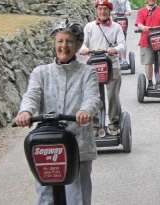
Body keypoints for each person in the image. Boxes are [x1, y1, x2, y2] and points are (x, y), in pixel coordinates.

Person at [15, 19, 101, 205]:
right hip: (46, 144)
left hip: (77, 143)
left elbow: (93, 97)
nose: (64, 46)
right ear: (54, 43)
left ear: (78, 45)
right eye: (60, 41)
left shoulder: (88, 73)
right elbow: (32, 95)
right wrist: (25, 112)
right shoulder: (41, 73)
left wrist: (86, 111)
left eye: (69, 41)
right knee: (45, 195)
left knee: (77, 197)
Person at [80, 0, 126, 136]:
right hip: (94, 66)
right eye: (100, 9)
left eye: (105, 9)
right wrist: (83, 49)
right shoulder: (89, 27)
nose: (102, 11)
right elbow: (83, 43)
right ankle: (95, 124)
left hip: (112, 65)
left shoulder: (116, 27)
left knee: (113, 95)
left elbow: (122, 45)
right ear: (96, 11)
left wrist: (115, 50)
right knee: (94, 96)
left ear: (110, 11)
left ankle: (114, 124)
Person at [135, 0, 160, 90]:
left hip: (158, 41)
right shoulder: (141, 11)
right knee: (148, 62)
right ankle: (150, 82)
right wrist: (142, 27)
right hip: (145, 41)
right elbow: (139, 23)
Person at [111, 0, 132, 65]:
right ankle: (115, 58)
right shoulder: (111, 1)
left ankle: (124, 59)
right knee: (113, 40)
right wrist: (111, 12)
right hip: (114, 22)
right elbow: (109, 10)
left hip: (123, 21)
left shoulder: (125, 1)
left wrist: (128, 12)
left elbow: (129, 10)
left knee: (123, 39)